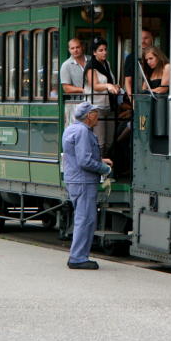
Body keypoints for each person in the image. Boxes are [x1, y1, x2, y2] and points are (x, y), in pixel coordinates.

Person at [62, 101, 113, 270]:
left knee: (83, 218)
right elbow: (84, 161)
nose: (98, 115)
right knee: (85, 220)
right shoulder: (83, 131)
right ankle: (78, 258)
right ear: (89, 116)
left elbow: (77, 156)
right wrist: (104, 168)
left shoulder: (72, 128)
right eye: (95, 113)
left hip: (76, 180)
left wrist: (99, 160)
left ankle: (78, 255)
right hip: (84, 181)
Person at [84, 38, 119, 156]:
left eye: (105, 49)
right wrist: (108, 86)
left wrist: (115, 86)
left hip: (109, 106)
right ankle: (98, 168)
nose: (104, 52)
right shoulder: (91, 66)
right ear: (94, 52)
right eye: (100, 50)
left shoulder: (106, 64)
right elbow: (95, 85)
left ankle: (106, 168)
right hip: (96, 107)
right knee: (100, 142)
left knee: (110, 141)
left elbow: (110, 81)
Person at [124, 28, 154, 97]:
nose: (143, 41)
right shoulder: (131, 57)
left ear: (152, 39)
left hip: (156, 97)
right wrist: (132, 101)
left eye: (146, 38)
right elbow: (128, 81)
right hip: (137, 97)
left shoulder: (158, 56)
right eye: (141, 38)